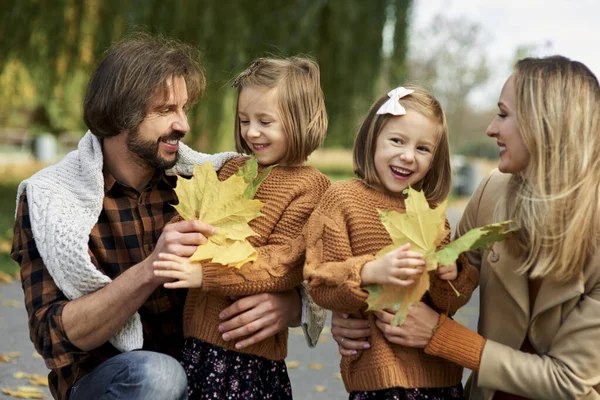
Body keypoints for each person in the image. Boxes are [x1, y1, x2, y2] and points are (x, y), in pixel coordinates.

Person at [10, 34, 325, 400]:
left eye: (184, 108)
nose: (183, 125)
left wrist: (293, 306)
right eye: (165, 111)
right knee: (158, 376)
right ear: (120, 113)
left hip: (206, 372)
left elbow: (292, 252)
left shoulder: (209, 179)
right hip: (107, 381)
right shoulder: (50, 200)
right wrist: (151, 269)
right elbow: (52, 337)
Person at [333, 56, 600, 400]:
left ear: (544, 125)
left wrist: (442, 337)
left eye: (503, 114)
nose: (491, 128)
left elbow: (570, 381)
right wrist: (355, 309)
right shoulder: (492, 191)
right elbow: (440, 286)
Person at [151, 56, 330, 399]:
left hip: (247, 356)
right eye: (245, 119)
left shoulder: (310, 187)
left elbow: (281, 264)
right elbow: (193, 216)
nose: (251, 132)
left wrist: (206, 275)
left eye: (265, 121)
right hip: (195, 344)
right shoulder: (231, 169)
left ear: (302, 120)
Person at [304, 86, 479, 399]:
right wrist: (369, 272)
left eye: (423, 149)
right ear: (373, 138)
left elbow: (449, 304)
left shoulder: (430, 213)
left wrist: (451, 274)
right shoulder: (343, 200)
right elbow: (318, 280)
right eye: (397, 140)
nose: (408, 156)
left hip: (439, 377)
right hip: (379, 378)